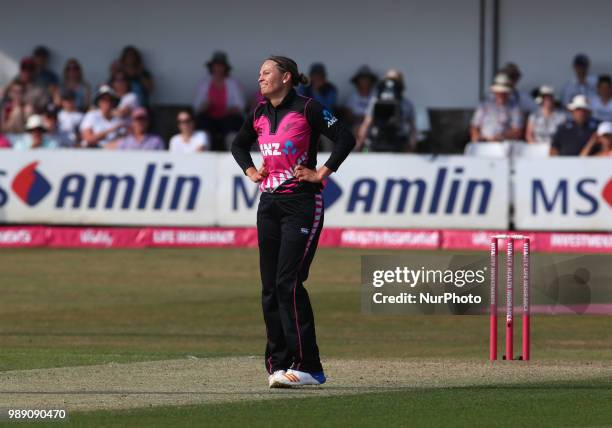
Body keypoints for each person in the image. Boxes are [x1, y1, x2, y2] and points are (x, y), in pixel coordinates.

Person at [230, 55, 355, 388]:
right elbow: (239, 144)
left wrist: (321, 173)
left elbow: (345, 138)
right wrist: (252, 171)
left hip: (301, 202)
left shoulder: (308, 107)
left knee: (289, 282)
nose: (260, 78)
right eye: (259, 74)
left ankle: (309, 367)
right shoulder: (258, 112)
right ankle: (278, 364)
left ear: (286, 77)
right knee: (270, 287)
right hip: (268, 204)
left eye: (267, 72)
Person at [193, 51, 245, 150]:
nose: (218, 68)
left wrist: (230, 110)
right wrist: (204, 106)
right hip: (209, 118)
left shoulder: (233, 84)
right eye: (215, 65)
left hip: (228, 118)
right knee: (203, 127)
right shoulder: (204, 83)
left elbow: (241, 107)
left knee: (233, 126)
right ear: (211, 67)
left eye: (221, 66)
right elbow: (196, 108)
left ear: (225, 68)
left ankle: (234, 156)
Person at [356, 69, 416, 152]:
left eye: (395, 80)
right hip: (376, 142)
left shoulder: (407, 104)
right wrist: (360, 144)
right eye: (388, 79)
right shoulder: (375, 101)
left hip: (399, 144)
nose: (391, 83)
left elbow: (412, 127)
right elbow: (366, 123)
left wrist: (412, 146)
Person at [470, 76, 523, 142]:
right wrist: (477, 137)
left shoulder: (514, 107)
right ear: (495, 92)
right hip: (484, 141)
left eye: (504, 92)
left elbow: (517, 131)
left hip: (504, 143)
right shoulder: (484, 104)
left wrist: (503, 136)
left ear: (508, 93)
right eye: (499, 92)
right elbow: (475, 126)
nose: (501, 95)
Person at [344, 65, 378, 132]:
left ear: (371, 81)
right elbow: (348, 115)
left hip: (372, 127)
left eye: (367, 79)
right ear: (357, 81)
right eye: (362, 79)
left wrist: (367, 121)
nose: (364, 81)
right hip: (356, 126)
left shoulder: (376, 97)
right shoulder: (352, 98)